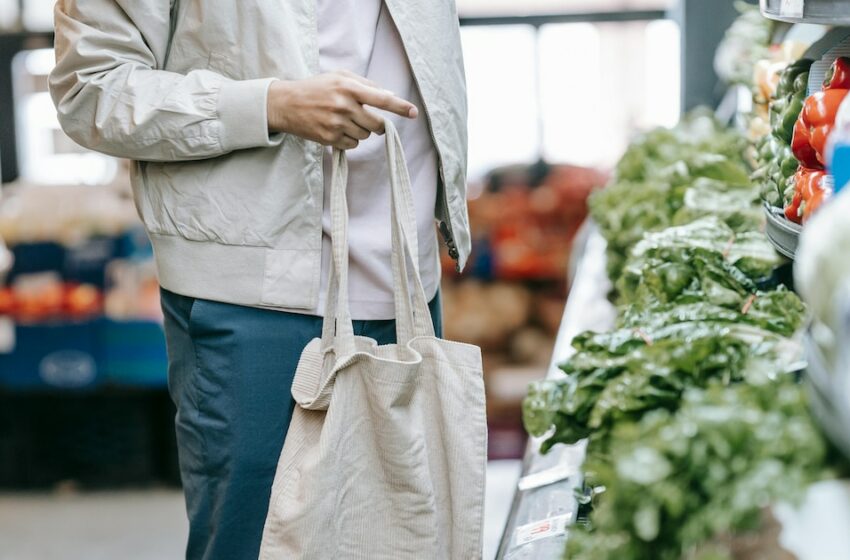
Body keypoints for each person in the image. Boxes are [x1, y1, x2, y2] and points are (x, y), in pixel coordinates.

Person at [49, 1, 471, 558]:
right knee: (254, 544)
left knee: (402, 540)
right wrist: (267, 104)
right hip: (249, 294)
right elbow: (90, 87)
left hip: (407, 281)